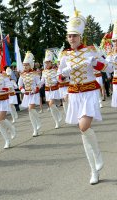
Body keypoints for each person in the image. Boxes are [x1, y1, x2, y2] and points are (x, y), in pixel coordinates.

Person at [58, 10, 113, 185]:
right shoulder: (65, 56)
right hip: (75, 94)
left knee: (83, 126)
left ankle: (97, 155)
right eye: (69, 36)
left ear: (80, 37)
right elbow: (59, 77)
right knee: (82, 132)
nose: (71, 39)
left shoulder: (91, 51)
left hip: (89, 93)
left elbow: (108, 68)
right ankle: (94, 170)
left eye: (74, 36)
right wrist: (65, 72)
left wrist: (94, 62)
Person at [18, 51, 41, 137]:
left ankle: (38, 122)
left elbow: (39, 83)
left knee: (31, 109)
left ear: (31, 65)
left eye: (27, 64)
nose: (25, 66)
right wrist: (22, 89)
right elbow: (19, 84)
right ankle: (35, 128)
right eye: (24, 65)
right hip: (27, 94)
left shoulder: (35, 74)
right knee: (30, 112)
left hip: (34, 93)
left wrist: (35, 89)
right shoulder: (22, 75)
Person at [41, 50, 61, 129]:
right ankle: (56, 119)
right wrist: (38, 85)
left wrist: (55, 80)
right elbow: (42, 80)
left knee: (51, 104)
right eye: (46, 62)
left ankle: (57, 120)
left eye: (48, 62)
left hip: (54, 89)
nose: (47, 64)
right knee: (51, 106)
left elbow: (58, 79)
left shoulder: (55, 70)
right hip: (47, 90)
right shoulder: (43, 71)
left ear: (51, 62)